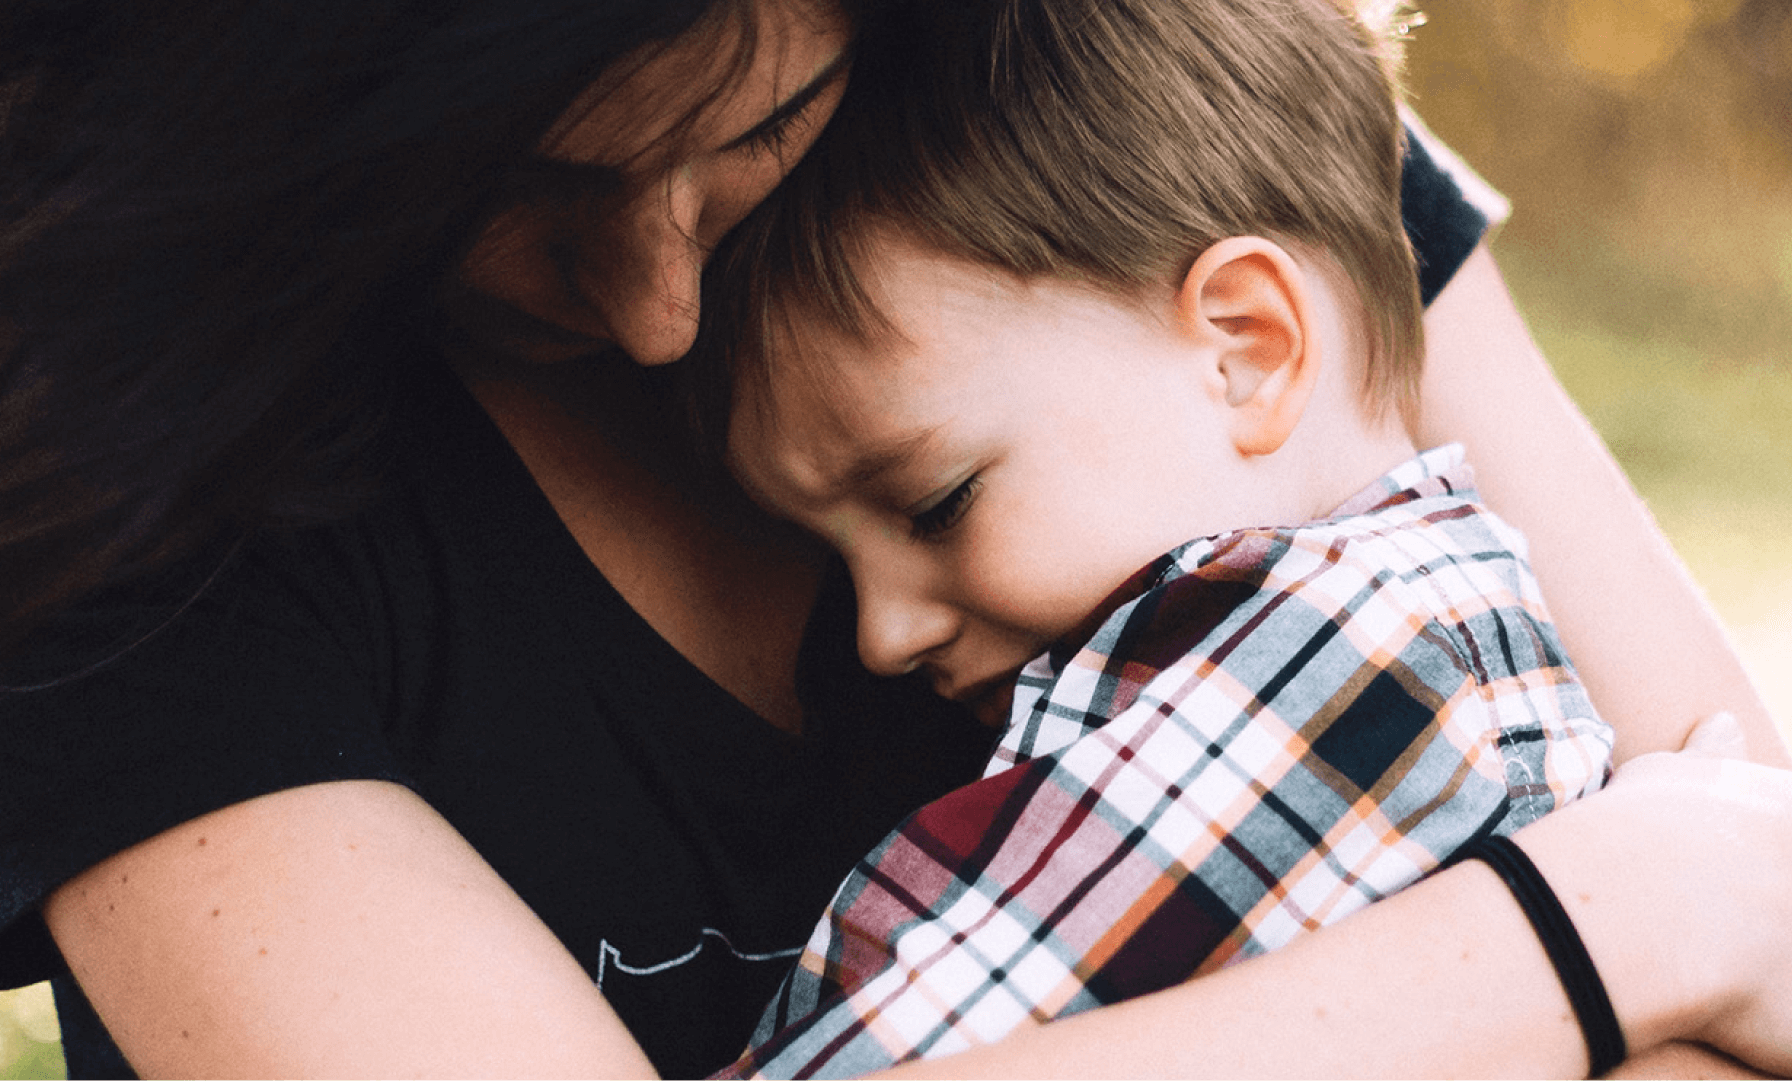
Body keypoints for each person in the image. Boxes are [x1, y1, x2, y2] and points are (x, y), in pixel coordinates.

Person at [0, 0, 1787, 1078]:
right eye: (509, 191)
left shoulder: (1149, 124)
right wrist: (1608, 924)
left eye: (752, 129)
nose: (653, 311)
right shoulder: (93, 500)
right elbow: (1730, 889)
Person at [687, 1, 1617, 1073]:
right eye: (834, 561)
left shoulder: (1334, 664)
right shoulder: (1418, 625)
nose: (880, 634)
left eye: (938, 503)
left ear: (1246, 349)